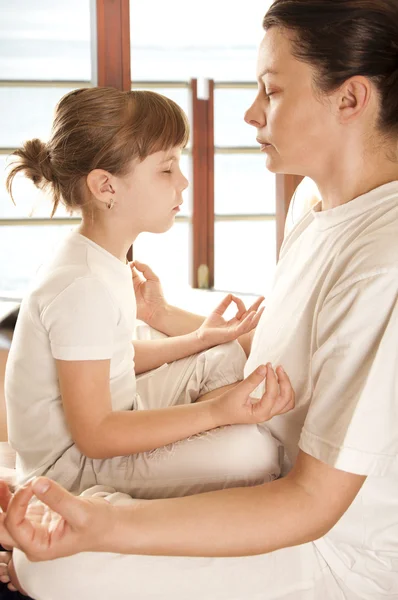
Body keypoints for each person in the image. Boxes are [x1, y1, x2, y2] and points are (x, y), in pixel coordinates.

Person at [2, 0, 398, 598]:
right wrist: (177, 330)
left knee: (52, 569)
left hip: (333, 544)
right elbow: (265, 343)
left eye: (272, 91)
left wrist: (109, 523)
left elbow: (312, 504)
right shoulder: (311, 207)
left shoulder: (384, 258)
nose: (249, 112)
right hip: (268, 456)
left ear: (349, 100)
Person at [4, 86, 292, 504]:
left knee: (224, 356)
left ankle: (196, 439)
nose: (185, 181)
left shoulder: (100, 258)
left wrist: (198, 341)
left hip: (122, 414)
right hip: (71, 468)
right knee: (258, 454)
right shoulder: (81, 286)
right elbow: (97, 436)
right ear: (106, 187)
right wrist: (216, 413)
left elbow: (116, 360)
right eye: (167, 169)